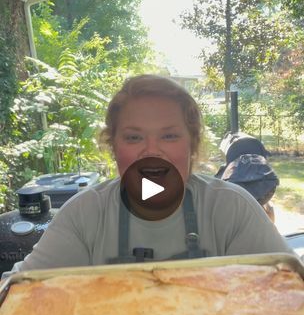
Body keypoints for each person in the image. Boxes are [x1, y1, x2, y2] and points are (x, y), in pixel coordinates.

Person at [11, 74, 292, 272]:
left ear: (192, 145)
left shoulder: (231, 209)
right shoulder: (84, 215)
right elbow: (21, 289)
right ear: (113, 147)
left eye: (169, 136)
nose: (152, 151)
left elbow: (288, 289)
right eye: (134, 138)